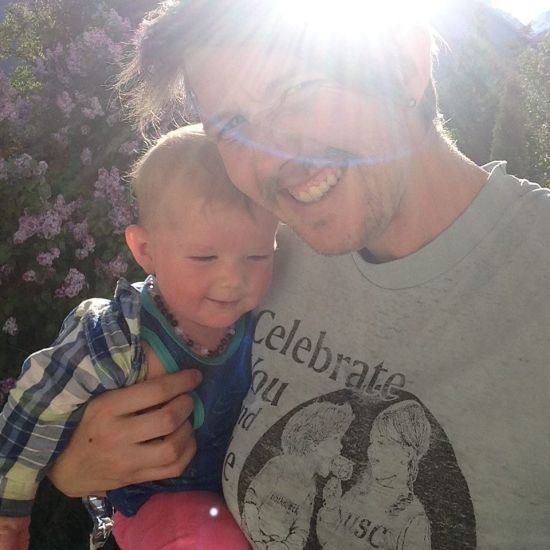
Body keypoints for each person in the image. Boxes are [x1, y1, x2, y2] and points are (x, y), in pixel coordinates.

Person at [47, 1, 550, 548]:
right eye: (233, 125)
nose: (269, 160)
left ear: (405, 63)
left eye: (297, 91)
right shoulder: (257, 258)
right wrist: (73, 470)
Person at [0, 123, 278, 549]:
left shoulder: (265, 319)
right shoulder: (117, 338)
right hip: (158, 509)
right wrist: (11, 515)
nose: (233, 279)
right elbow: (34, 407)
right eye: (205, 257)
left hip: (240, 498)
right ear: (145, 250)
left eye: (258, 256)